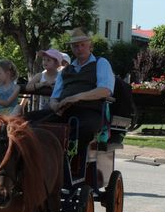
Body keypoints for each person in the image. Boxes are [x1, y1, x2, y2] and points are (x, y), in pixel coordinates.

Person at [25, 28, 114, 163]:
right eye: (75, 46)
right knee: (27, 120)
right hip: (63, 111)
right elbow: (55, 96)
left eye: (82, 45)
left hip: (89, 112)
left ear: (90, 45)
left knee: (83, 130)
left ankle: (70, 162)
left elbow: (105, 90)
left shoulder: (101, 63)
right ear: (72, 48)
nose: (79, 49)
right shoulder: (66, 70)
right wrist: (55, 105)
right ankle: (32, 159)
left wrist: (77, 97)